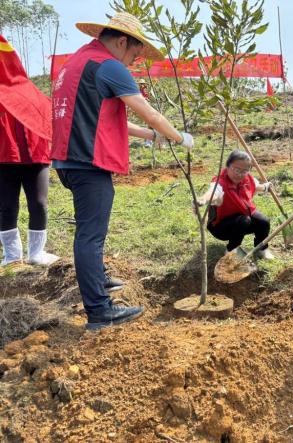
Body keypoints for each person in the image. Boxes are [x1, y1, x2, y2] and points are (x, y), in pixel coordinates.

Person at [51, 12, 194, 331]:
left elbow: (106, 116)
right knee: (90, 234)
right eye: (133, 54)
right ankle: (99, 311)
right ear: (120, 41)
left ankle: (99, 279)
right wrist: (180, 137)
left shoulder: (80, 62)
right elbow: (151, 114)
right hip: (88, 162)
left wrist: (152, 136)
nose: (132, 62)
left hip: (68, 160)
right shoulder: (110, 66)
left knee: (89, 229)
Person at [0, 35, 58, 268]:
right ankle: (12, 256)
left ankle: (37, 253)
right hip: (4, 158)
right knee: (6, 206)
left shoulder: (30, 90)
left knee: (39, 203)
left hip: (35, 158)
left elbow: (48, 117)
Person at [200, 150, 274, 259]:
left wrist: (266, 187)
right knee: (244, 221)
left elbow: (256, 186)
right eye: (236, 169)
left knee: (263, 222)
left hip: (242, 219)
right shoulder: (220, 183)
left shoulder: (247, 179)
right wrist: (203, 199)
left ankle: (261, 249)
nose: (240, 174)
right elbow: (213, 193)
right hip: (221, 227)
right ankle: (231, 252)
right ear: (228, 166)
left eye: (244, 171)